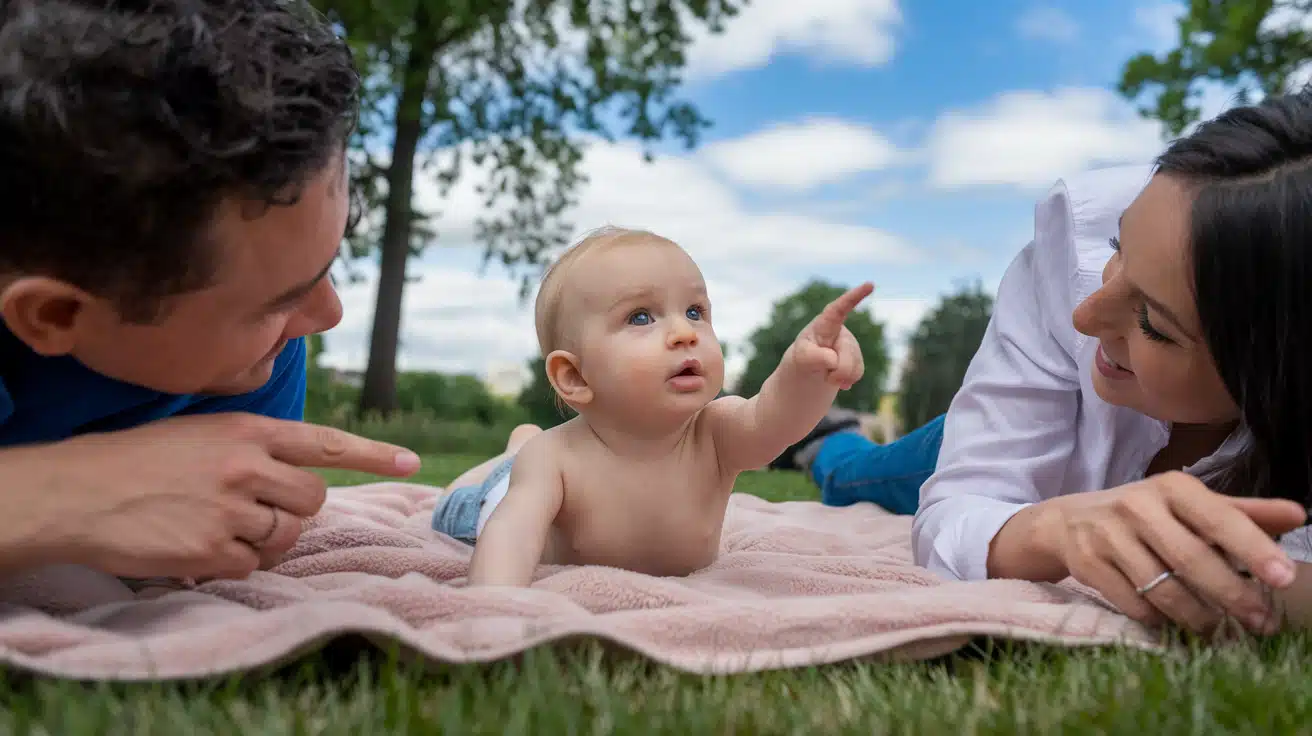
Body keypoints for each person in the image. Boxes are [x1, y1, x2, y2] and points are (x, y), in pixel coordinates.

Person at [776, 87, 1312, 636]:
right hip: (1016, 427)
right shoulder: (1079, 239)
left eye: (1153, 322)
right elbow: (955, 513)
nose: (1084, 318)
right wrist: (1053, 528)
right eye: (1116, 248)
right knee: (858, 476)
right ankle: (826, 440)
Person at [0, 0, 422, 584]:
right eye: (277, 303)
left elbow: (218, 551)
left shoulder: (254, 363)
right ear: (54, 313)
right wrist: (65, 494)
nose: (327, 314)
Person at [430, 228, 871, 586]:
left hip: (530, 470)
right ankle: (512, 450)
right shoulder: (555, 457)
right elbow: (511, 534)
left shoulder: (717, 433)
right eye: (641, 317)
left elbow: (776, 418)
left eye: (695, 311)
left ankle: (516, 444)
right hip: (501, 500)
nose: (684, 332)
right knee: (463, 503)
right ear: (575, 377)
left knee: (522, 456)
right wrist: (493, 606)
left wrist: (806, 373)